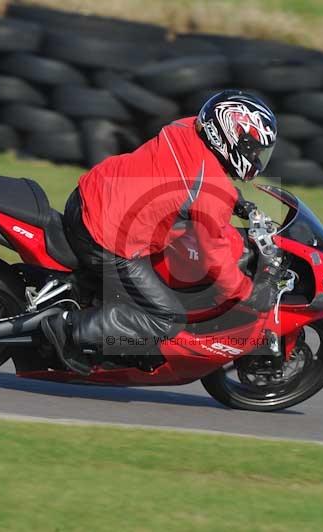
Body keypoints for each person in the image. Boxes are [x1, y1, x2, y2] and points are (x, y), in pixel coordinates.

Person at [41, 90, 279, 374]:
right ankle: (67, 329)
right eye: (251, 149)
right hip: (105, 236)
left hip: (87, 195)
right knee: (166, 318)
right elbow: (213, 259)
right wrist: (248, 293)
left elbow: (187, 177)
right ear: (229, 137)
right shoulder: (211, 191)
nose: (255, 158)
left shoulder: (185, 127)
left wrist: (233, 198)